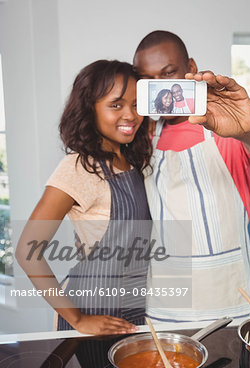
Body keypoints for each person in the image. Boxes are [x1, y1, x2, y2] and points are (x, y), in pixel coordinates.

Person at [133, 30, 250, 323]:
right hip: (162, 312)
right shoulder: (145, 136)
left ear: (191, 67)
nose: (161, 89)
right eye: (148, 81)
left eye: (169, 73)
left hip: (228, 311)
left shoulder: (234, 122)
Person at [16, 60, 152, 335]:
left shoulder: (133, 160)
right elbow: (27, 251)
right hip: (93, 312)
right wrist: (78, 319)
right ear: (90, 109)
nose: (131, 115)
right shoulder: (78, 167)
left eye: (137, 104)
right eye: (116, 105)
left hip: (137, 307)